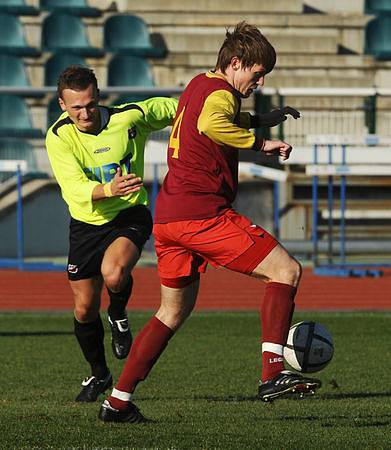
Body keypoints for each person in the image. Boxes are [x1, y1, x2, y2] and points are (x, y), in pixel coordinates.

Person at [98, 22, 321, 423]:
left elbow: (214, 116)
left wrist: (258, 120)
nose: (261, 79)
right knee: (286, 270)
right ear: (235, 63)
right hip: (200, 214)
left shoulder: (201, 84)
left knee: (171, 313)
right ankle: (272, 373)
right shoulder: (220, 95)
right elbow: (211, 124)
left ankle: (117, 401)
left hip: (169, 218)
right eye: (257, 73)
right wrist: (260, 143)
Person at [45, 65, 178, 402]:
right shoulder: (59, 136)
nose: (85, 113)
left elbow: (180, 108)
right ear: (62, 105)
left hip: (129, 215)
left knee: (114, 273)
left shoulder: (128, 118)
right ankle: (99, 373)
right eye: (76, 107)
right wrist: (109, 188)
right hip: (86, 224)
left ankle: (118, 313)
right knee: (84, 308)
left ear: (99, 97)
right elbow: (74, 189)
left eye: (90, 104)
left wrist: (228, 113)